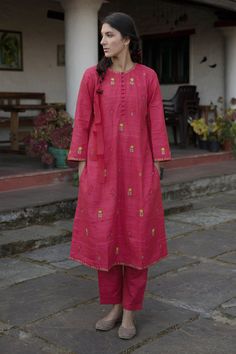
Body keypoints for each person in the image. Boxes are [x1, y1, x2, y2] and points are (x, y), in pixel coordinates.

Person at [67, 12, 171, 340]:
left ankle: (129, 312)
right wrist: (81, 163)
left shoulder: (148, 78)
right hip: (101, 170)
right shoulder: (91, 78)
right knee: (105, 239)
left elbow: (156, 123)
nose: (103, 41)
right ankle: (113, 306)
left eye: (109, 35)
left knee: (137, 241)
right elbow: (82, 121)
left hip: (139, 171)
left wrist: (158, 164)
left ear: (126, 39)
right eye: (101, 36)